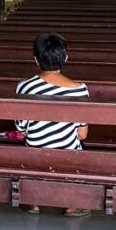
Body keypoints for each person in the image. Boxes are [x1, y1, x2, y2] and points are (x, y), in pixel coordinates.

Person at [15, 32, 90, 217]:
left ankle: (33, 202)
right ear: (65, 57)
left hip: (35, 152)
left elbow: (21, 130)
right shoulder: (80, 89)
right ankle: (71, 204)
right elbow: (82, 135)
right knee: (79, 147)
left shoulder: (24, 87)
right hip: (67, 154)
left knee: (30, 144)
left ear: (36, 60)